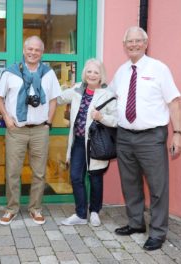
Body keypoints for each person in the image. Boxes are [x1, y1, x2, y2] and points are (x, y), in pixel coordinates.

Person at [109, 26, 181, 251]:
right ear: (124, 45)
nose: (133, 44)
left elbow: (174, 102)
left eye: (137, 41)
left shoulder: (159, 69)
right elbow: (109, 96)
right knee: (130, 184)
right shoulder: (121, 71)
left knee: (158, 187)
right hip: (124, 136)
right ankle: (136, 223)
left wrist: (178, 133)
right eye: (129, 41)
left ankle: (158, 233)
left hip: (151, 137)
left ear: (145, 43)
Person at [0, 36, 61, 225]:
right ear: (24, 50)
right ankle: (11, 209)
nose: (33, 53)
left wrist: (48, 122)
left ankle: (35, 208)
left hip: (40, 129)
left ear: (42, 52)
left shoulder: (48, 73)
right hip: (17, 129)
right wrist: (7, 117)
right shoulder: (11, 72)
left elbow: (53, 99)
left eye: (37, 50)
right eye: (30, 49)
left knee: (39, 172)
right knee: (13, 172)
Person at [57, 59, 117, 227]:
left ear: (101, 75)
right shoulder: (77, 89)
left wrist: (102, 117)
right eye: (89, 71)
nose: (92, 75)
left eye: (96, 72)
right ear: (85, 73)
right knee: (76, 177)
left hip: (95, 143)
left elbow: (117, 120)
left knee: (95, 177)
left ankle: (95, 212)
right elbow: (59, 98)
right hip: (78, 142)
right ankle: (81, 214)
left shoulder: (108, 95)